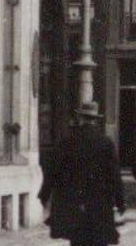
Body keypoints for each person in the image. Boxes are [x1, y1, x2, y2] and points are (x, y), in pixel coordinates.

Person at [39, 102, 125, 246]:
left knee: (77, 240)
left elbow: (53, 171)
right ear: (95, 120)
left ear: (81, 118)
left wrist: (44, 194)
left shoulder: (68, 142)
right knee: (98, 240)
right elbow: (115, 175)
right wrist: (120, 201)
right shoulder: (106, 143)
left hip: (75, 203)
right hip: (99, 204)